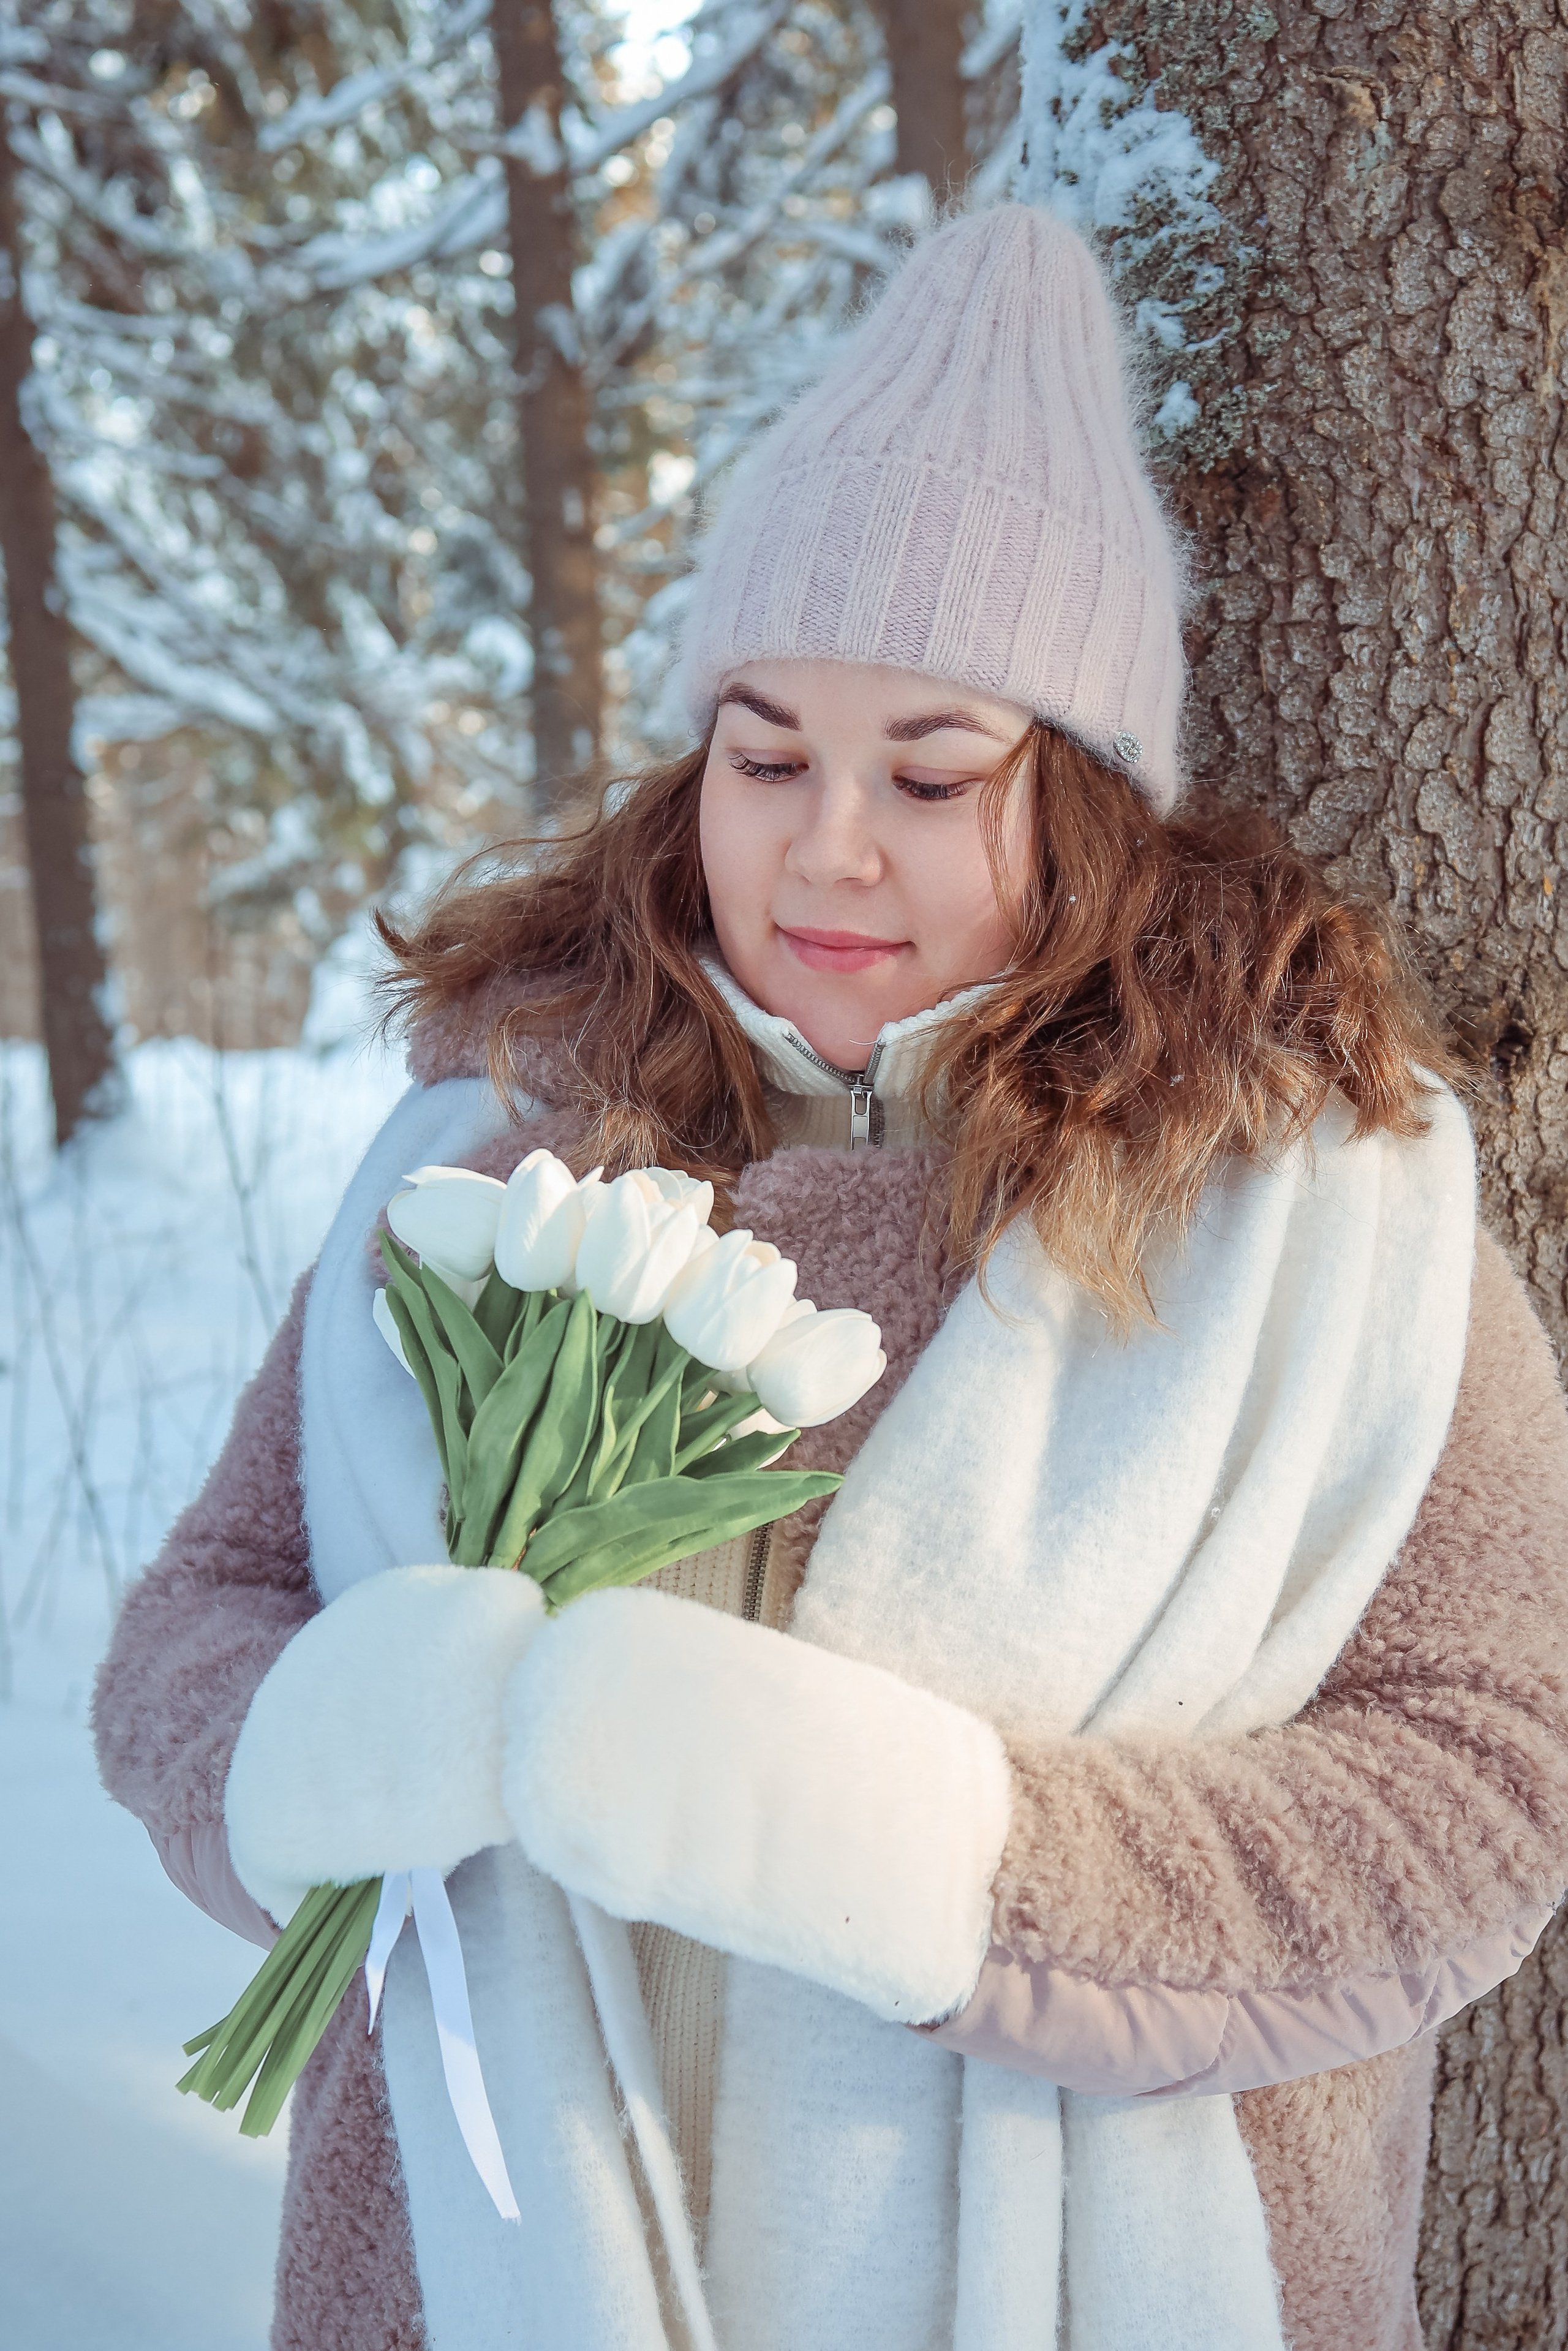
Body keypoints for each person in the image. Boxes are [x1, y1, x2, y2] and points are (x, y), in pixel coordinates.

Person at [94, 206, 1568, 2351]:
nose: (830, 848)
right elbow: (200, 1619)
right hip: (474, 2270)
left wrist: (926, 1857)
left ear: (1095, 801)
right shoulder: (493, 1149)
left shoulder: (1315, 1219)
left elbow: (1487, 1784)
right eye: (767, 757)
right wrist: (309, 1745)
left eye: (933, 773)